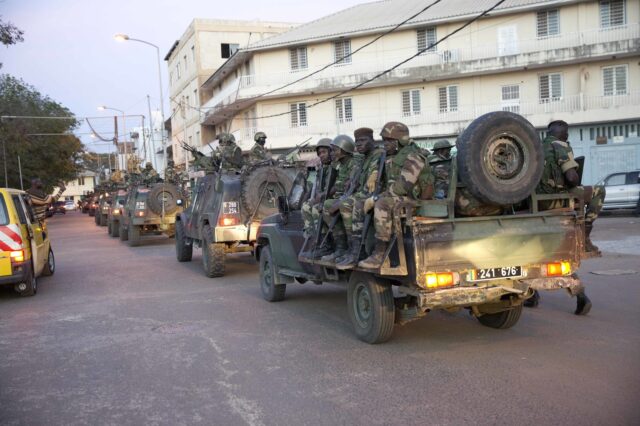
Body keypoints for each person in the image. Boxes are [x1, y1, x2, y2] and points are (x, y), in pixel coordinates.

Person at [528, 119, 599, 315]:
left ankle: (532, 295)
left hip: (534, 203)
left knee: (536, 257)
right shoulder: (561, 146)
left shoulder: (534, 147)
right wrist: (573, 176)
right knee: (598, 192)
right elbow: (571, 178)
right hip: (556, 200)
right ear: (565, 134)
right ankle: (586, 234)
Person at [358, 122, 432, 269]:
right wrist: (374, 174)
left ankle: (379, 255)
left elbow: (403, 186)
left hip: (417, 201)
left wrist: (376, 198)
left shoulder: (414, 156)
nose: (385, 144)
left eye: (389, 141)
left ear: (401, 140)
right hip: (401, 198)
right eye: (384, 140)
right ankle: (358, 249)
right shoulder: (392, 156)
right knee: (359, 202)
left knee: (382, 203)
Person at [334, 127, 386, 269]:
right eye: (357, 141)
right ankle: (352, 248)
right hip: (364, 193)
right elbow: (356, 178)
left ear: (372, 140)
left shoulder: (379, 154)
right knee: (343, 203)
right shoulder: (363, 158)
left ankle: (358, 250)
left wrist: (374, 174)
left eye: (363, 140)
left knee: (349, 204)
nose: (358, 144)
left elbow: (376, 174)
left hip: (375, 193)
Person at [319, 135, 361, 262]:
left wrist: (340, 201)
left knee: (342, 205)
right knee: (326, 205)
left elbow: (353, 187)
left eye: (335, 150)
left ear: (344, 150)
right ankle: (340, 247)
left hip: (353, 198)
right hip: (344, 197)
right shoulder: (341, 165)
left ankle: (354, 249)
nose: (332, 153)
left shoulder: (353, 163)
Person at [299, 138, 333, 259]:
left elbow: (336, 187)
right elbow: (317, 187)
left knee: (316, 209)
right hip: (324, 197)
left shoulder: (336, 166)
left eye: (324, 152)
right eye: (320, 153)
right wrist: (313, 197)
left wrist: (322, 196)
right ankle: (315, 240)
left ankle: (325, 244)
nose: (321, 155)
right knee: (306, 207)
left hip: (333, 199)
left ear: (331, 151)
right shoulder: (322, 169)